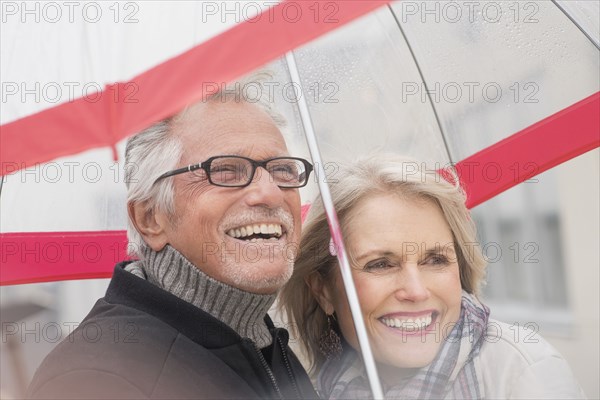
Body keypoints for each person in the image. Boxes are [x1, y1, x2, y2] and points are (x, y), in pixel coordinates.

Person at [28, 75, 318, 399]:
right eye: (225, 170)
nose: (270, 193)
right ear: (150, 218)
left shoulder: (267, 344)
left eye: (282, 170)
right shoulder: (96, 378)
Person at [280, 153, 586, 399]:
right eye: (381, 264)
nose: (415, 291)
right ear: (323, 291)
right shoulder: (317, 388)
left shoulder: (522, 374)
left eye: (435, 259)